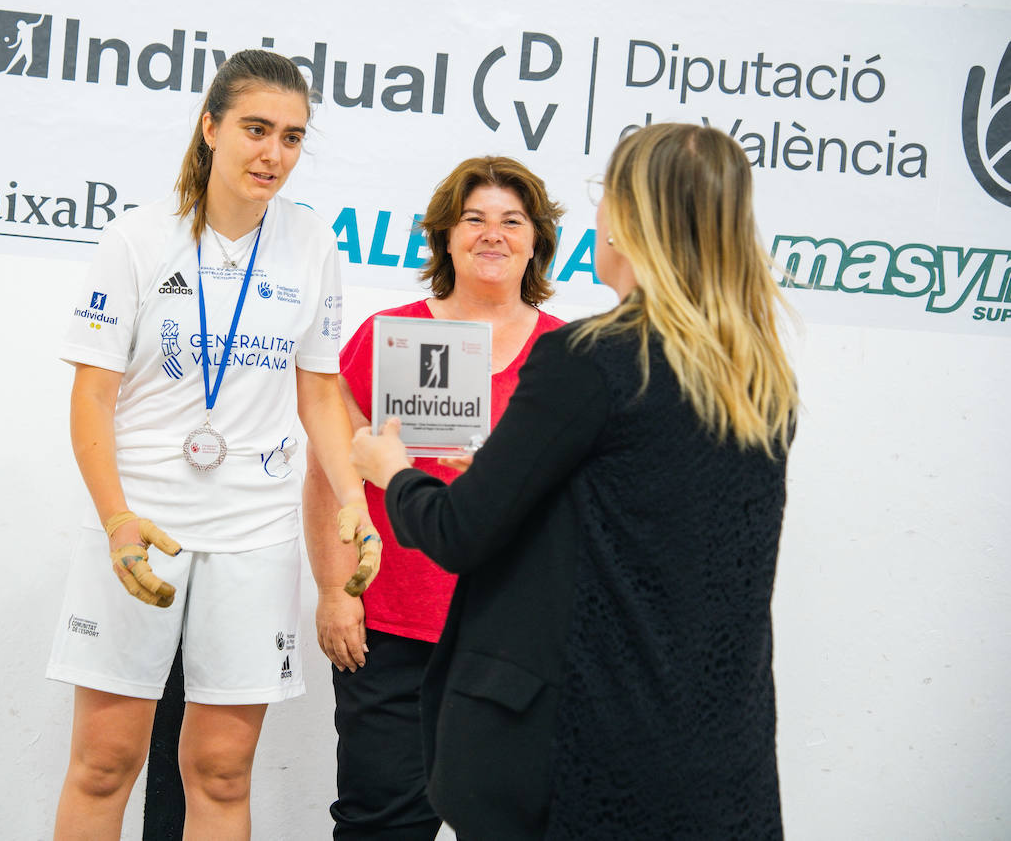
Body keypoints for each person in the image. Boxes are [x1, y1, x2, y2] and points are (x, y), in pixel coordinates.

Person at [350, 123, 800, 840]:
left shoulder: (590, 357)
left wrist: (393, 472)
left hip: (588, 744)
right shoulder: (758, 378)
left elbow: (458, 532)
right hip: (716, 749)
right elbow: (641, 520)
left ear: (625, 219)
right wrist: (518, 476)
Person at [48, 48, 380, 840]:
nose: (274, 154)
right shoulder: (137, 237)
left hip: (254, 531)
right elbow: (92, 396)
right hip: (141, 527)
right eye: (256, 130)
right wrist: (117, 518)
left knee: (223, 772)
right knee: (104, 761)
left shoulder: (311, 245)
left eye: (293, 137)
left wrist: (356, 499)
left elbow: (321, 394)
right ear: (210, 127)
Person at [304, 156, 567, 839]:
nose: (492, 234)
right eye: (473, 219)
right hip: (391, 632)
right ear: (445, 237)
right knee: (381, 826)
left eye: (512, 221)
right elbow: (329, 476)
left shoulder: (569, 357)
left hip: (514, 646)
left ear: (536, 239)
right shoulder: (385, 338)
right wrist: (335, 592)